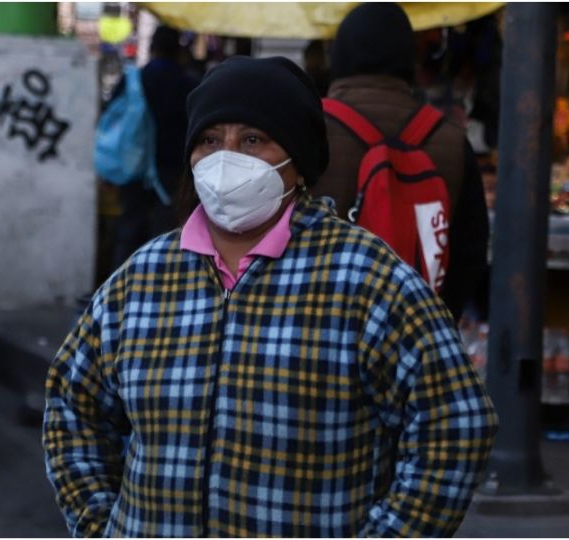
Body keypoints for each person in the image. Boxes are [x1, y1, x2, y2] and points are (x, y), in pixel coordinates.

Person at [43, 55, 497, 537]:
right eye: (210, 140)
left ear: (296, 162)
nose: (226, 158)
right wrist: (100, 525)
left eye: (253, 140)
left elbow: (456, 425)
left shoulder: (366, 280)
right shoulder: (142, 279)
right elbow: (74, 407)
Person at [313, 3, 490, 320]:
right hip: (416, 328)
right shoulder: (449, 139)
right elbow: (470, 249)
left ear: (339, 54)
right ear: (410, 57)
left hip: (322, 324)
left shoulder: (309, 127)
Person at [110, 25, 198, 268]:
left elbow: (112, 119)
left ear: (151, 48)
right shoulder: (187, 83)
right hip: (173, 167)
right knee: (165, 236)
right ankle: (156, 289)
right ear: (178, 50)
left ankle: (120, 289)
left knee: (128, 229)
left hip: (134, 165)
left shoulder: (134, 79)